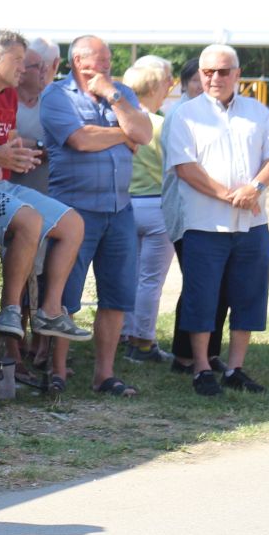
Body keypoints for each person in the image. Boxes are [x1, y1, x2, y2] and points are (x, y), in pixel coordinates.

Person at [0, 29, 90, 377]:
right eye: (18, 61)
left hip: (1, 185)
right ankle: (10, 309)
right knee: (29, 220)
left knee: (73, 224)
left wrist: (19, 154)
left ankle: (50, 310)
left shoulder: (9, 94)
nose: (24, 69)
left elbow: (7, 140)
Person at [165, 45, 269, 396]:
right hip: (205, 224)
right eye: (208, 72)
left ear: (237, 74)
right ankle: (202, 367)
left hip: (252, 225)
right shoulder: (185, 114)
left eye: (222, 71)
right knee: (202, 297)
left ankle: (235, 368)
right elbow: (185, 168)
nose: (214, 78)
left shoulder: (257, 112)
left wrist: (255, 187)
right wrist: (233, 196)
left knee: (248, 295)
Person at [40, 35, 152, 398]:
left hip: (119, 210)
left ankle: (105, 374)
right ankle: (58, 370)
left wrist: (113, 96)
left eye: (108, 60)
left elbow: (143, 133)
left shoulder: (121, 93)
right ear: (77, 61)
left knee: (116, 295)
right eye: (99, 61)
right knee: (66, 295)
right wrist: (122, 134)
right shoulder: (57, 96)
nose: (106, 66)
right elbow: (80, 140)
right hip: (74, 210)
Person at [164, 59, 227, 374]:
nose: (206, 85)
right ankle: (184, 355)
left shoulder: (219, 114)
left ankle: (210, 352)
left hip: (216, 212)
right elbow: (187, 168)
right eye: (198, 80)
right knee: (199, 284)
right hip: (186, 212)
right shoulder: (180, 115)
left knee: (220, 284)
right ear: (184, 84)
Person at [121, 57, 175, 364]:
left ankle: (124, 332)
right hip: (157, 206)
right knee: (150, 281)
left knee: (128, 276)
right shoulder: (162, 125)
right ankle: (142, 341)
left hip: (126, 205)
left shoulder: (120, 120)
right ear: (154, 88)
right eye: (166, 83)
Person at [11, 37, 59, 196]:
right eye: (38, 67)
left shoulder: (54, 103)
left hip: (48, 197)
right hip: (10, 198)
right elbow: (7, 144)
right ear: (21, 73)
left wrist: (32, 145)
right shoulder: (4, 103)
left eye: (45, 66)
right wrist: (43, 147)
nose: (45, 71)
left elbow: (64, 149)